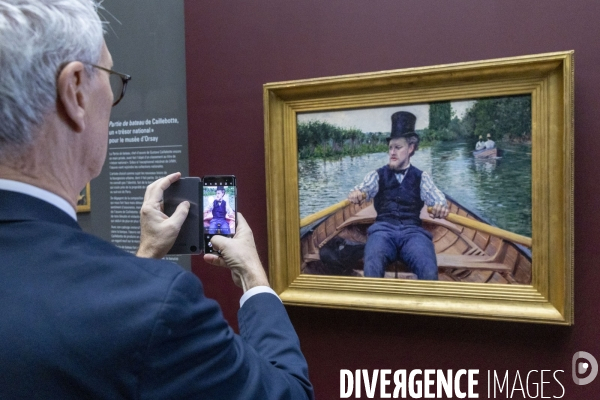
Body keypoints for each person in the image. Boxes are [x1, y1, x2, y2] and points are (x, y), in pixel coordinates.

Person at [0, 1, 313, 399]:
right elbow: (290, 393)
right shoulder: (161, 305)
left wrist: (144, 257)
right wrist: (254, 278)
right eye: (110, 78)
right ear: (75, 90)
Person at [348, 111, 449, 280]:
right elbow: (362, 190)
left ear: (410, 148)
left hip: (413, 233)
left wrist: (440, 207)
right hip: (382, 231)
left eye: (398, 147)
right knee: (372, 266)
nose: (392, 152)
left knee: (429, 270)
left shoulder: (422, 177)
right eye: (390, 148)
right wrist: (357, 193)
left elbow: (438, 200)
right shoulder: (377, 175)